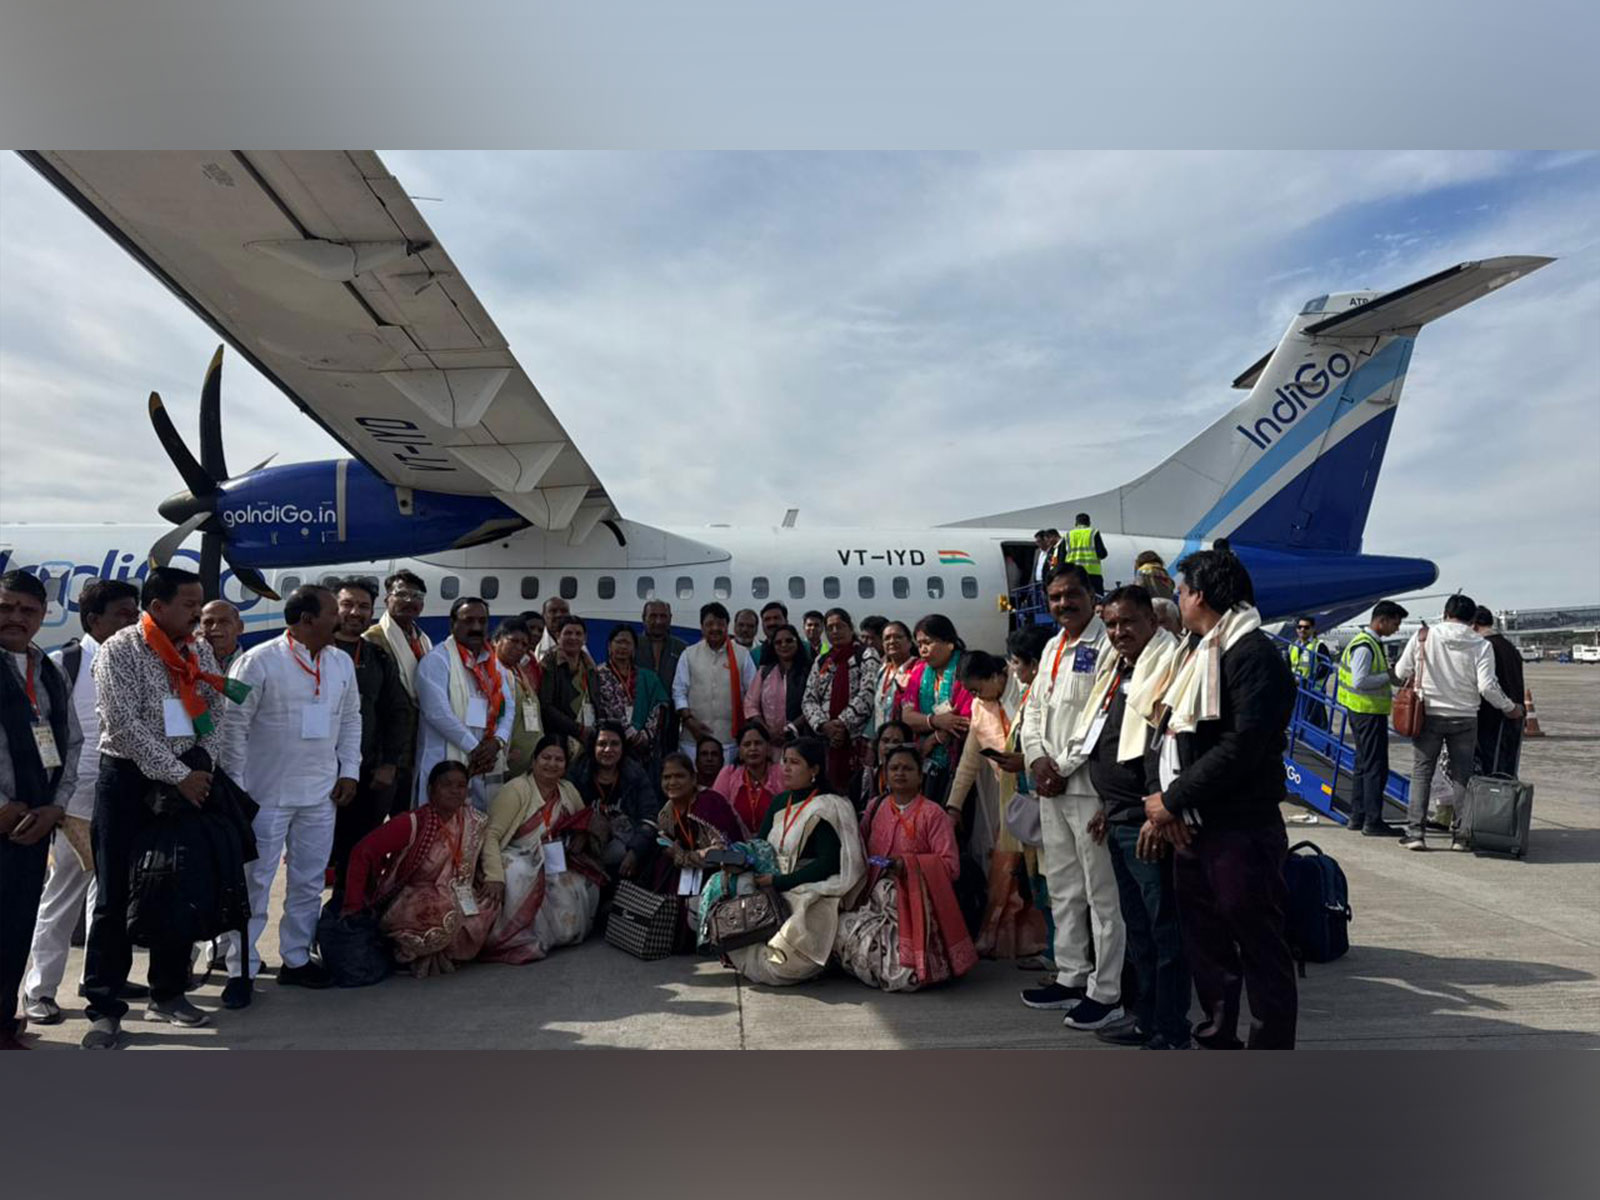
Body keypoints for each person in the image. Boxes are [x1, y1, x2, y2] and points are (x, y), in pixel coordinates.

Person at [1139, 549, 1298, 1049]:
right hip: (1193, 824)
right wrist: (1167, 802)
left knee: (1259, 945)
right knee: (1207, 946)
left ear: (1200, 596)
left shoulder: (1252, 655)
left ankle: (1270, 1052)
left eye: (1181, 591)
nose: (1178, 600)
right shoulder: (1197, 652)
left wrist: (1173, 799)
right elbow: (1166, 732)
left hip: (1239, 828)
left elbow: (1241, 747)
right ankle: (1217, 1038)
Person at [82, 566, 244, 1047]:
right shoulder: (120, 650)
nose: (198, 614)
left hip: (187, 778)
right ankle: (104, 1006)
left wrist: (200, 767)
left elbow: (213, 711)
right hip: (129, 780)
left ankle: (168, 993)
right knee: (114, 895)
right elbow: (124, 726)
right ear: (158, 607)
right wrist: (178, 774)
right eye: (190, 605)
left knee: (178, 886)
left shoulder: (196, 650)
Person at [219, 584, 362, 1005]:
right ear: (306, 620)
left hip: (320, 795)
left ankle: (296, 958)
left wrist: (349, 770)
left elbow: (351, 719)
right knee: (255, 883)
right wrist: (237, 790)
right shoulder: (257, 662)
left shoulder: (340, 662)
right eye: (333, 612)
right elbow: (232, 728)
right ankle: (241, 968)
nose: (341, 619)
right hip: (265, 795)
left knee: (309, 880)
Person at [22, 579, 139, 1031]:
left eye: (135, 613)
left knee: (108, 894)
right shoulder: (63, 664)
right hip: (75, 795)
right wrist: (52, 795)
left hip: (122, 792)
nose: (133, 621)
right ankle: (40, 990)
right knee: (64, 893)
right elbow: (43, 730)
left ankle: (100, 980)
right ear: (94, 620)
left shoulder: (136, 659)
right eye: (123, 614)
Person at [1081, 585, 1191, 1049]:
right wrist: (1106, 806)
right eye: (1110, 624)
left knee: (1164, 928)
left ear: (1151, 621)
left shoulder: (1168, 664)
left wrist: (1156, 812)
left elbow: (1162, 746)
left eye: (1127, 622)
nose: (1118, 631)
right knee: (1139, 928)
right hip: (1119, 815)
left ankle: (1172, 1027)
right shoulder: (1119, 668)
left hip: (1147, 819)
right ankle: (1144, 1017)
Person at [1018, 564, 1126, 1031]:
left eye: (1071, 594)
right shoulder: (1052, 646)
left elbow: (1099, 717)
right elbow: (1034, 709)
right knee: (1063, 887)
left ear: (1091, 595)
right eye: (1056, 597)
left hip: (1087, 788)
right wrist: (1036, 759)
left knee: (1102, 895)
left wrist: (1059, 768)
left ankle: (1107, 991)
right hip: (1051, 787)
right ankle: (1071, 974)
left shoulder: (1107, 644)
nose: (1063, 603)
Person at [698, 738, 866, 985]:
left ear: (814, 770)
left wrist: (779, 881)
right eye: (784, 761)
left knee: (783, 963)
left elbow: (828, 864)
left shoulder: (829, 806)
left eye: (794, 763)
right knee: (724, 890)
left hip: (808, 887)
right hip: (771, 879)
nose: (786, 768)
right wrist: (734, 857)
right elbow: (761, 845)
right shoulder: (780, 802)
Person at [1, 570, 82, 1050]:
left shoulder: (49, 671)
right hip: (5, 818)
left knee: (15, 928)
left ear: (43, 616)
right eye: (6, 607)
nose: (16, 617)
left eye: (27, 610)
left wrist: (56, 807)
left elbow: (72, 743)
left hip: (34, 825)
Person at [836, 744, 977, 992]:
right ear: (886, 774)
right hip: (874, 900)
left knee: (907, 972)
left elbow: (950, 866)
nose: (900, 773)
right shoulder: (876, 807)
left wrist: (909, 865)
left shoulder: (933, 814)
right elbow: (860, 849)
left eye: (907, 768)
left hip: (917, 903)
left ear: (920, 776)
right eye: (894, 768)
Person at [342, 761, 499, 978]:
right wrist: (353, 905)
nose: (454, 791)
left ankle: (447, 952)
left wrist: (494, 879)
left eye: (461, 786)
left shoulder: (473, 820)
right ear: (431, 789)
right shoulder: (413, 822)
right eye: (446, 785)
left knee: (490, 903)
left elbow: (484, 855)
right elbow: (362, 852)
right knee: (439, 909)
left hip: (458, 891)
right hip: (414, 895)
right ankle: (407, 952)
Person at [1394, 594, 1523, 850]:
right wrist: (1510, 708)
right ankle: (1461, 837)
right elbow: (1487, 686)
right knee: (1463, 776)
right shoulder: (1481, 644)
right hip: (1465, 717)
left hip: (1429, 714)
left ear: (1445, 613)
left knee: (1422, 773)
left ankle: (1416, 833)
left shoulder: (1424, 636)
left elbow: (1400, 672)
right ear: (1472, 618)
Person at [945, 650, 1046, 961]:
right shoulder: (980, 707)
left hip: (1043, 792)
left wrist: (1025, 763)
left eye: (978, 689)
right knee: (1009, 870)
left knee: (1043, 873)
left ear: (996, 676)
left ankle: (1050, 947)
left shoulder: (1029, 693)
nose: (976, 696)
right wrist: (953, 807)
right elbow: (969, 763)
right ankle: (1009, 940)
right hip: (1010, 799)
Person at [480, 735, 602, 962]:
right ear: (534, 760)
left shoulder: (567, 790)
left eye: (559, 760)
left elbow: (583, 821)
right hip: (516, 854)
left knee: (580, 882)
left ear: (566, 765)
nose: (552, 764)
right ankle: (520, 939)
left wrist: (581, 837)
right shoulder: (516, 789)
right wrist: (493, 875)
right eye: (546, 758)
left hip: (554, 857)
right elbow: (491, 835)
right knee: (519, 874)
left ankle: (558, 935)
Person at [329, 578, 409, 892]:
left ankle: (349, 911)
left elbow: (398, 713)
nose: (355, 612)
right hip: (317, 772)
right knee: (315, 855)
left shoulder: (378, 657)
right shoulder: (313, 651)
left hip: (366, 773)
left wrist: (389, 763)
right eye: (347, 604)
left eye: (363, 606)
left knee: (359, 851)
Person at [415, 597, 516, 811]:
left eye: (482, 621)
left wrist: (497, 741)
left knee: (480, 822)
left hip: (485, 760)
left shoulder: (493, 663)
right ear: (453, 624)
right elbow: (437, 713)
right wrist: (475, 748)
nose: (476, 627)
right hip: (447, 758)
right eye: (468, 621)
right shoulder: (437, 660)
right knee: (441, 824)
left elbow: (508, 706)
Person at [647, 752, 744, 944]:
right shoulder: (667, 811)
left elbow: (723, 853)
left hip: (721, 869)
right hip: (689, 870)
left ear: (693, 779)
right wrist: (673, 853)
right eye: (667, 777)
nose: (672, 782)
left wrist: (685, 857)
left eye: (679, 776)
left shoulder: (710, 803)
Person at [1005, 625, 1056, 970]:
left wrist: (1022, 761)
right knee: (1039, 881)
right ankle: (1054, 951)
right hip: (1031, 803)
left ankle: (1063, 958)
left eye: (1016, 663)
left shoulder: (1047, 696)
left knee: (1056, 884)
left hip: (1048, 799)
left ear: (1035, 664)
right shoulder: (1028, 696)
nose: (1013, 670)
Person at [1336, 600, 1408, 837]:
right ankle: (1373, 821)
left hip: (1361, 712)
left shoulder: (1368, 643)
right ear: (1382, 621)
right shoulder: (1365, 646)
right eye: (1395, 624)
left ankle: (1358, 816)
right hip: (1367, 713)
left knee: (1363, 765)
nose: (1397, 629)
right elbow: (1360, 681)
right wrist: (1388, 676)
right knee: (1376, 768)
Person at [364, 569, 431, 817]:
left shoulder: (422, 640)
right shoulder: (372, 640)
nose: (409, 600)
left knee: (404, 818)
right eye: (401, 594)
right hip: (383, 753)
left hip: (413, 749)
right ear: (387, 599)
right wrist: (385, 760)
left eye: (416, 596)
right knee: (372, 820)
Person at [568, 721, 660, 880]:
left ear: (623, 747)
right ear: (593, 747)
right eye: (602, 744)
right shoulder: (578, 773)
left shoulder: (635, 775)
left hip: (625, 849)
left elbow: (649, 817)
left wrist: (635, 852)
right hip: (585, 849)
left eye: (615, 744)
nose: (608, 749)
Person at [802, 608, 880, 794]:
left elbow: (868, 692)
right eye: (830, 628)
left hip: (856, 740)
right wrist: (824, 726)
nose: (835, 631)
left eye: (840, 626)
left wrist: (842, 724)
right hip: (826, 740)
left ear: (851, 628)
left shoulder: (866, 655)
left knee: (858, 793)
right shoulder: (822, 661)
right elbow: (808, 699)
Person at [898, 615, 974, 804]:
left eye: (928, 642)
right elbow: (907, 716)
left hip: (962, 761)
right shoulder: (919, 671)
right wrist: (936, 721)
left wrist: (934, 739)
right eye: (919, 644)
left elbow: (963, 721)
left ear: (949, 643)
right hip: (926, 763)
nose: (922, 649)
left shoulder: (965, 669)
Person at [673, 602, 756, 758]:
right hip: (693, 740)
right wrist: (689, 721)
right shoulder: (689, 654)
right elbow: (679, 692)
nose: (715, 628)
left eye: (720, 624)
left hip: (730, 741)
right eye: (710, 624)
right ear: (702, 627)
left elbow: (753, 694)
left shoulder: (742, 655)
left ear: (727, 626)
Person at [594, 626, 669, 768]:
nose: (623, 647)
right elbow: (604, 706)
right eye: (619, 642)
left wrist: (646, 735)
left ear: (634, 648)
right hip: (610, 744)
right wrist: (630, 734)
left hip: (644, 748)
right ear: (609, 646)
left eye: (627, 643)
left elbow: (659, 706)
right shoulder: (598, 674)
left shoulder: (648, 677)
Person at [539, 614, 602, 760]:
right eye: (568, 633)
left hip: (588, 735)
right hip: (559, 737)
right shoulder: (549, 664)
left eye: (578, 634)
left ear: (585, 638)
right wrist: (577, 730)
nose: (573, 637)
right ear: (557, 636)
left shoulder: (590, 667)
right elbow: (546, 706)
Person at [1472, 605, 1526, 778]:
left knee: (1490, 771)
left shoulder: (1485, 647)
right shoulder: (1509, 647)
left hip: (1492, 718)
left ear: (1474, 625)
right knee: (1507, 770)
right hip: (1514, 717)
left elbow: (1487, 686)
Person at [711, 721, 786, 839]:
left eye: (758, 743)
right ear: (740, 752)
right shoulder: (729, 774)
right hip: (735, 844)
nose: (753, 748)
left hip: (775, 842)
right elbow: (715, 811)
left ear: (768, 748)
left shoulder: (781, 773)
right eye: (747, 744)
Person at [490, 617, 543, 778]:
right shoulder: (491, 673)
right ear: (496, 640)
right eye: (514, 641)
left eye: (524, 644)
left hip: (528, 766)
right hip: (504, 763)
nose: (519, 648)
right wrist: (504, 751)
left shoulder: (518, 672)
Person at [744, 622, 813, 741]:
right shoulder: (764, 672)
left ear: (797, 642)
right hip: (769, 741)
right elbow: (750, 705)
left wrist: (791, 729)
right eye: (778, 642)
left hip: (802, 740)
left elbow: (814, 705)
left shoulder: (810, 671)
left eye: (789, 641)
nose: (784, 645)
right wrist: (766, 731)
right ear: (773, 646)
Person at [638, 599, 687, 750]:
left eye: (663, 616)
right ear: (643, 618)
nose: (658, 621)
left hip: (671, 721)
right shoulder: (633, 645)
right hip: (638, 720)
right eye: (653, 616)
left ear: (670, 618)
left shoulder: (681, 648)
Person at [872, 619, 916, 738]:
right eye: (887, 638)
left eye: (898, 637)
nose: (892, 641)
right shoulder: (882, 671)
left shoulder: (919, 669)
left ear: (909, 642)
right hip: (883, 740)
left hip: (908, 740)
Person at [1288, 616, 1334, 729]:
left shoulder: (1319, 646)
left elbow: (1327, 668)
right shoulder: (1292, 646)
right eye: (1299, 627)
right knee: (1297, 718)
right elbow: (1288, 666)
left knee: (1317, 722)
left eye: (1306, 627)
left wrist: (1309, 680)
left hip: (1313, 689)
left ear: (1313, 629)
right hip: (1297, 688)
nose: (1302, 630)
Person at [856, 719, 911, 807]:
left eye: (896, 742)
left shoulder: (913, 779)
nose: (888, 746)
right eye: (885, 740)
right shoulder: (865, 776)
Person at [1065, 513, 1109, 595]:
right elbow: (1102, 554)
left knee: (1076, 597)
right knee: (1096, 598)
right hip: (1093, 573)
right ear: (1089, 523)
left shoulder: (1068, 535)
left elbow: (1062, 556)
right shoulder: (1093, 532)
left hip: (1074, 573)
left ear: (1076, 523)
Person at [199, 598, 245, 673]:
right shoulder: (188, 664)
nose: (215, 627)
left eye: (224, 622)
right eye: (208, 622)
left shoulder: (255, 663)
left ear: (240, 627)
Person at [751, 601, 790, 666]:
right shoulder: (754, 655)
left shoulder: (805, 649)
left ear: (786, 621)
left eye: (776, 618)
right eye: (767, 619)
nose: (772, 623)